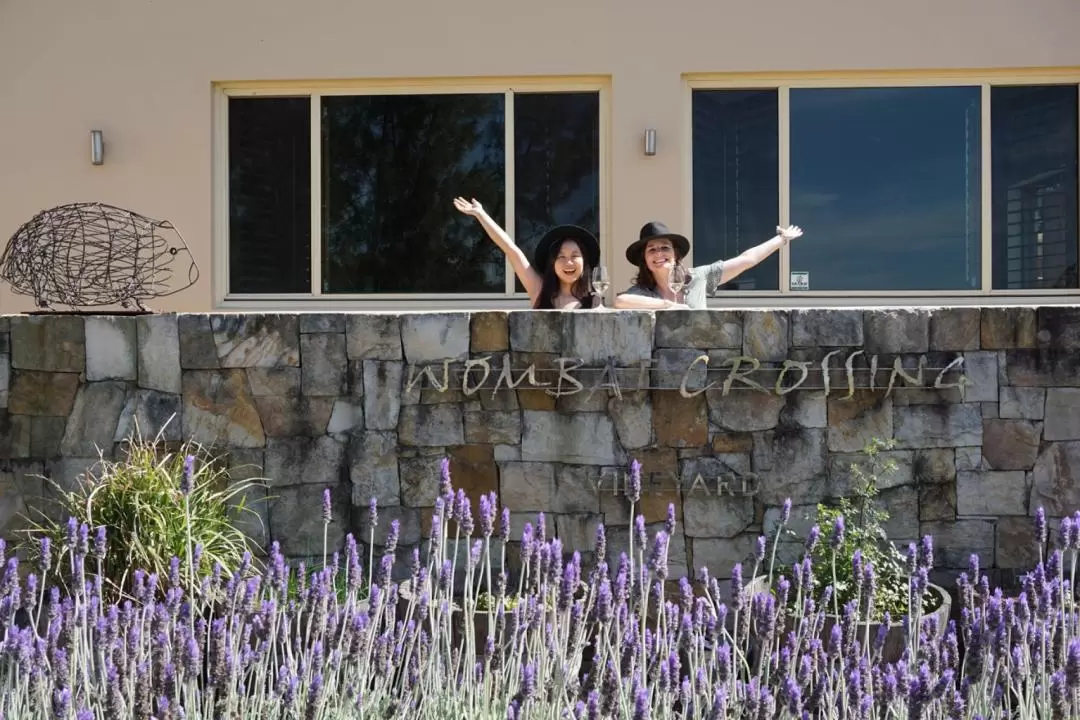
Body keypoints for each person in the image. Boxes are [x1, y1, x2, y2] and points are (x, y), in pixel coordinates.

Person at [613, 221, 804, 309]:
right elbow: (621, 301)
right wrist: (668, 305)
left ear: (676, 255)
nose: (659, 254)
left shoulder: (698, 277)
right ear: (644, 260)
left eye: (665, 248)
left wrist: (781, 240)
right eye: (652, 250)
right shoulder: (642, 291)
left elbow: (747, 259)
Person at [453, 197, 602, 309]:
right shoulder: (540, 291)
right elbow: (511, 250)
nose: (568, 263)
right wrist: (481, 215)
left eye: (575, 256)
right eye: (561, 256)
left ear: (585, 261)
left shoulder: (594, 302)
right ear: (552, 263)